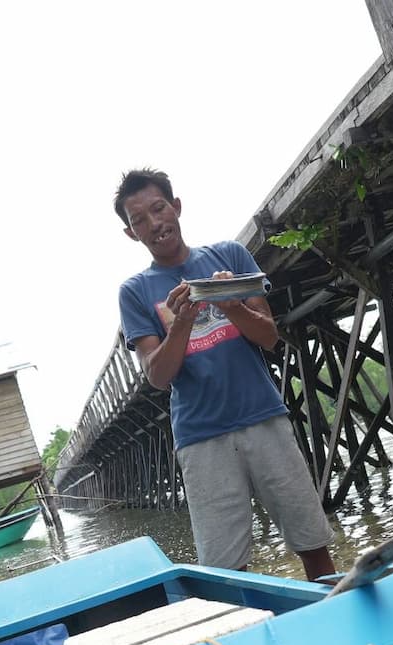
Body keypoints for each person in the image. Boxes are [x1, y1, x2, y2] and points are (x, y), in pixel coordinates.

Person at [113, 168, 337, 580]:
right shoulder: (135, 291)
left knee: (313, 543)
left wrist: (232, 303)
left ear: (176, 207)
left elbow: (269, 337)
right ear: (132, 234)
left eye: (158, 209)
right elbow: (158, 376)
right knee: (226, 570)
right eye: (139, 220)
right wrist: (180, 322)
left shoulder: (230, 256)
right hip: (201, 438)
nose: (154, 224)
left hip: (263, 417)